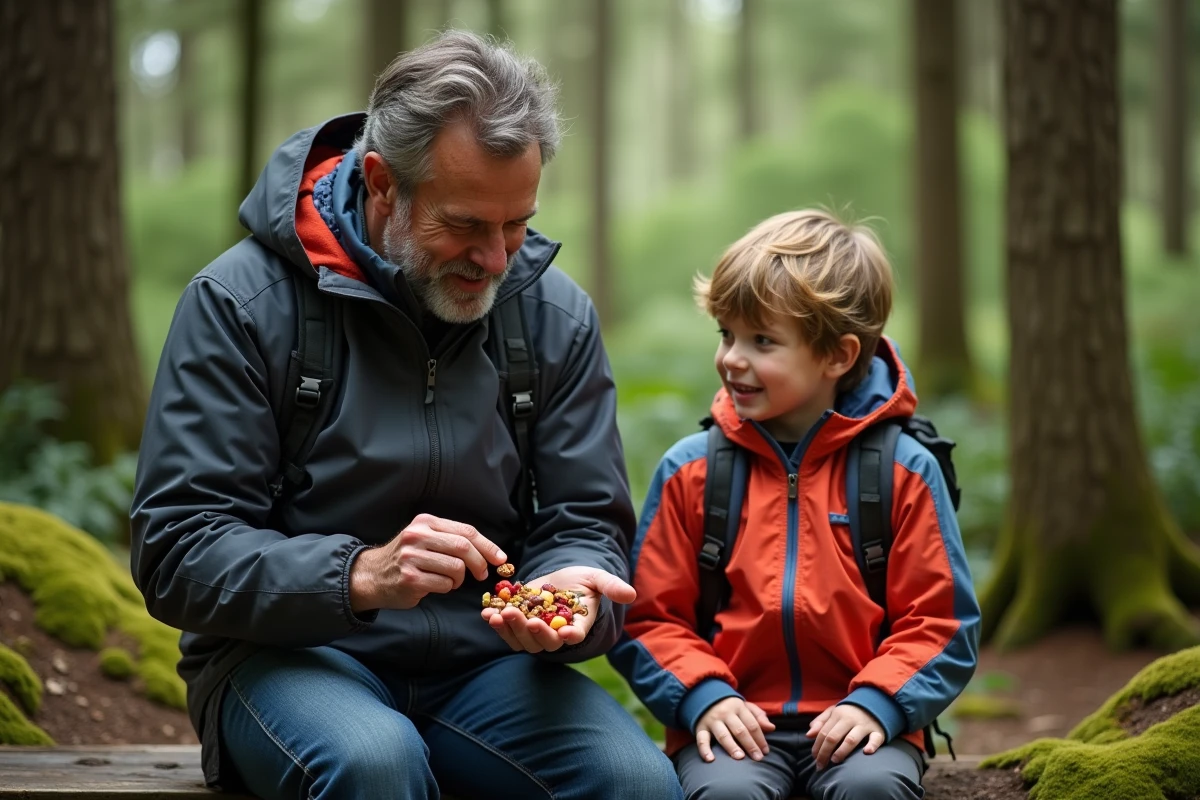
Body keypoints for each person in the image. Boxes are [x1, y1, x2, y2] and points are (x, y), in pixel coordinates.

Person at [130, 30, 681, 800]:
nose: (497, 259)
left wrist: (571, 593)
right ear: (383, 183)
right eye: (464, 225)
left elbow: (585, 522)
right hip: (289, 658)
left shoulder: (554, 316)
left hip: (487, 668)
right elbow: (179, 549)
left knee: (636, 782)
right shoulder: (240, 305)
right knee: (372, 764)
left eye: (516, 223)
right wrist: (359, 575)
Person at [608, 209, 981, 800]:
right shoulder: (694, 470)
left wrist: (879, 704)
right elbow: (650, 617)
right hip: (733, 729)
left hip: (863, 731)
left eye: (763, 341)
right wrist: (705, 698)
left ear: (837, 355)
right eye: (726, 334)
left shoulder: (904, 472)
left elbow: (941, 622)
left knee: (871, 791)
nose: (733, 358)